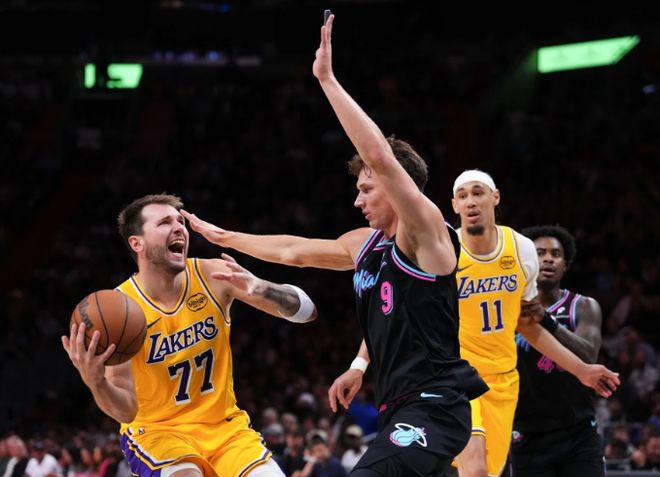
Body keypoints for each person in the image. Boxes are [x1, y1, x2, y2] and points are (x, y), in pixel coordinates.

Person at [183, 12, 489, 476]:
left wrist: (326, 80)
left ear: (397, 188)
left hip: (436, 405)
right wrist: (224, 237)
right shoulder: (364, 244)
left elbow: (379, 156)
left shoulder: (426, 232)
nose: (357, 200)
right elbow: (294, 252)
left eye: (366, 189)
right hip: (397, 406)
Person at [61, 194, 318, 477]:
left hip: (225, 428)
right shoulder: (120, 311)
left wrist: (263, 288)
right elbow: (125, 412)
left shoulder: (214, 275)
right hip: (158, 434)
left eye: (180, 221)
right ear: (137, 243)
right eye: (164, 223)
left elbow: (307, 311)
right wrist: (97, 382)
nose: (178, 228)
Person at [449, 171, 618, 477]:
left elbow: (529, 325)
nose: (470, 201)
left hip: (518, 391)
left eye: (478, 192)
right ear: (454, 205)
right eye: (463, 195)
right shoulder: (446, 247)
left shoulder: (522, 251)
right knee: (474, 470)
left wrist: (582, 369)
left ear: (495, 197)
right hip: (465, 380)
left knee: (484, 471)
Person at [510, 225, 606, 476]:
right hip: (527, 434)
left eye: (556, 254)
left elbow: (588, 356)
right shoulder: (508, 309)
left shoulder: (583, 306)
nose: (548, 259)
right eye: (539, 253)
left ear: (565, 265)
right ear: (526, 261)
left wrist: (546, 320)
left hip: (578, 433)